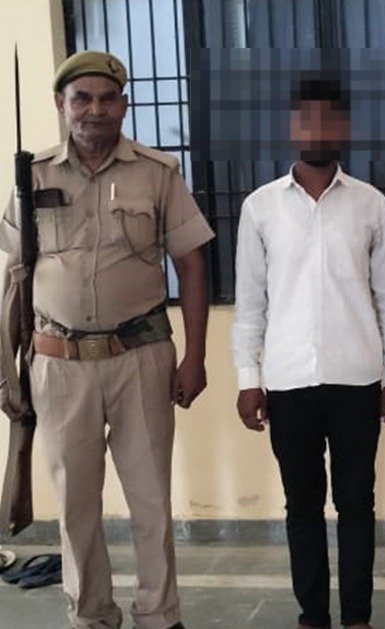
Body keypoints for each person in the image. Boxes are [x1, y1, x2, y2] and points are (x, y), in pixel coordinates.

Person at [0, 50, 214, 628]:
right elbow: (14, 275)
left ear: (124, 104)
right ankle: (90, 614)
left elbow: (191, 264)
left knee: (151, 500)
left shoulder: (157, 173)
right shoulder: (32, 176)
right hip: (58, 363)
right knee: (75, 506)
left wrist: (195, 356)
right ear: (61, 104)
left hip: (140, 356)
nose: (94, 110)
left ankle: (159, 614)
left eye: (106, 98)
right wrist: (9, 367)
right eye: (82, 99)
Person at [231, 75, 385, 629]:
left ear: (343, 127)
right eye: (306, 118)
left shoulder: (371, 205)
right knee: (301, 506)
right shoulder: (260, 208)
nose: (317, 128)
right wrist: (247, 378)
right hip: (287, 383)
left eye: (328, 118)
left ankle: (357, 617)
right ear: (291, 127)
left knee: (357, 504)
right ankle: (313, 614)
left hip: (358, 379)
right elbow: (250, 304)